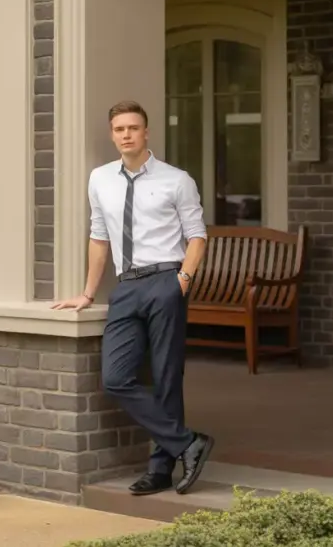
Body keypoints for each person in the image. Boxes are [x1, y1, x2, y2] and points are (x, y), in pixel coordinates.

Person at [52, 100, 213, 496]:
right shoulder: (100, 179)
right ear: (112, 134)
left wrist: (182, 281)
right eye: (120, 129)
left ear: (147, 133)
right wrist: (88, 292)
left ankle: (160, 470)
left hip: (164, 281)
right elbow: (98, 236)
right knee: (116, 378)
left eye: (134, 128)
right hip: (125, 287)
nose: (127, 134)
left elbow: (197, 236)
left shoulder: (177, 180)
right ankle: (187, 443)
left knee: (165, 377)